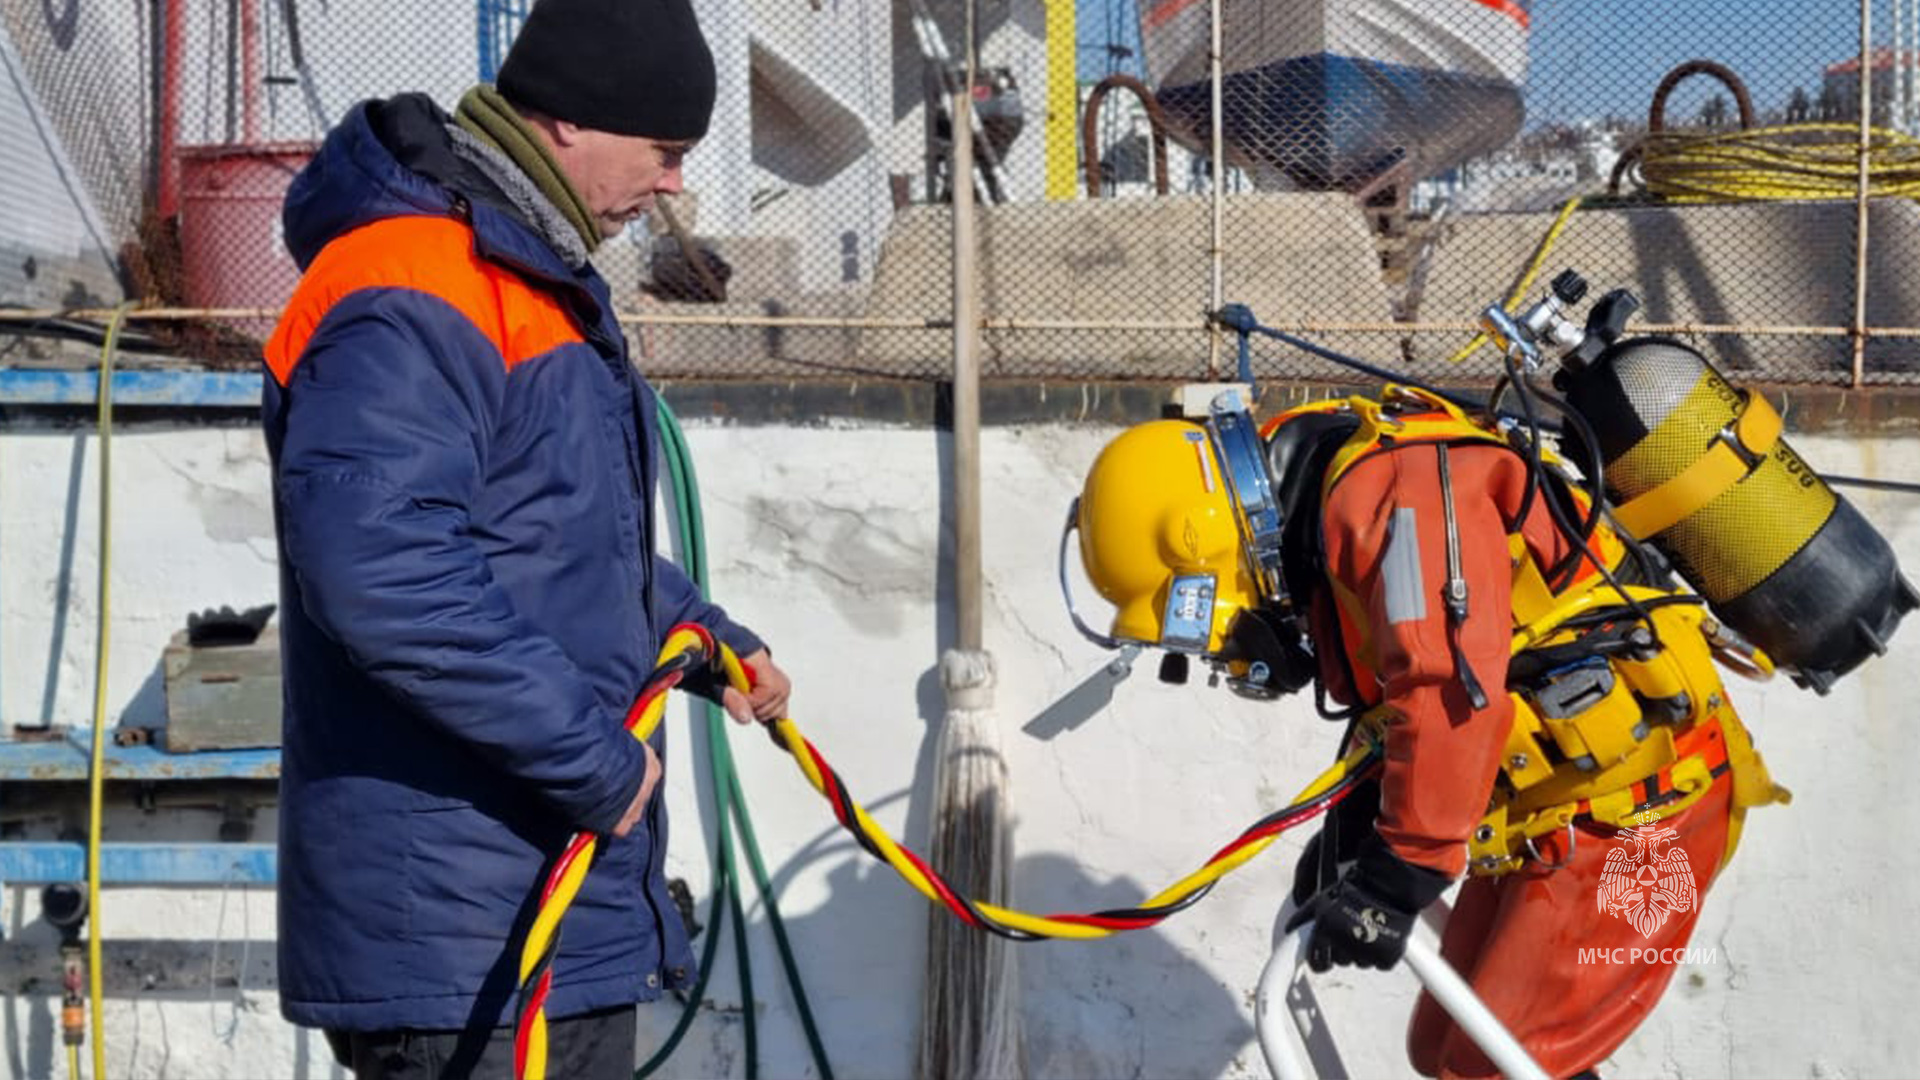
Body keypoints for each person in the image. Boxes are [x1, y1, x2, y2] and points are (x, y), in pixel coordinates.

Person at [260, 0, 790, 1075]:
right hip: (461, 938)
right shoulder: (414, 284)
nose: (676, 183)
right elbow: (385, 573)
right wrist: (596, 760)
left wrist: (704, 636)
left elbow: (556, 543)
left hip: (544, 907)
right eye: (666, 151)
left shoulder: (529, 280)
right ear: (568, 123)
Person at [1072, 383, 1790, 1079]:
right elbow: (1421, 681)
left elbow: (1448, 686)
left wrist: (1402, 871)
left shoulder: (1393, 500)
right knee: (1443, 1048)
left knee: (1488, 1069)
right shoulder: (1349, 489)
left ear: (1197, 537)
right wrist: (1361, 829)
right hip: (1562, 811)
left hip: (1639, 816)